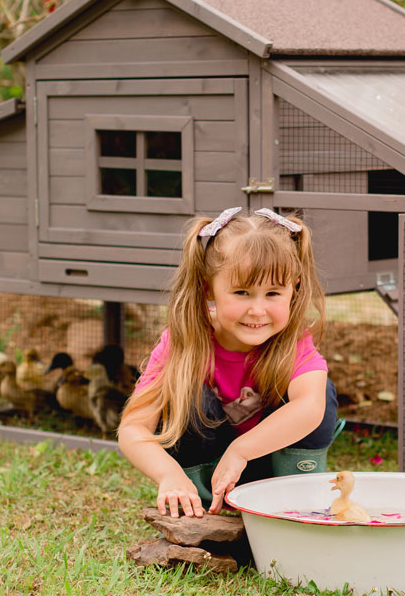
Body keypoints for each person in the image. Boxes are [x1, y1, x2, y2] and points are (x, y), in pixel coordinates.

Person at [118, 207, 340, 518]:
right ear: (209, 289)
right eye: (241, 292)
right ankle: (200, 497)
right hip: (208, 481)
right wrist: (169, 475)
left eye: (273, 293)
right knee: (185, 394)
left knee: (320, 389)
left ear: (295, 289)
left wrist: (241, 450)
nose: (258, 310)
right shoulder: (184, 343)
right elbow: (133, 429)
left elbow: (310, 409)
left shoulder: (294, 342)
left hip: (269, 472)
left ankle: (296, 492)